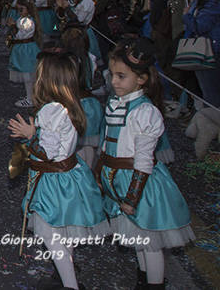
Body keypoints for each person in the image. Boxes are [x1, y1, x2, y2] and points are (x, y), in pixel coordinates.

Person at [95, 39, 195, 290]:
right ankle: (144, 281)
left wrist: (133, 196)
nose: (114, 82)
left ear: (141, 79)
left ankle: (154, 285)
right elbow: (106, 144)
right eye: (112, 75)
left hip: (140, 183)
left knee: (149, 243)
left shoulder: (144, 112)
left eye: (121, 76)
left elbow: (143, 159)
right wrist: (100, 174)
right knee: (138, 239)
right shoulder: (117, 103)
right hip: (118, 178)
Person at [7, 51, 108, 290]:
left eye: (39, 73)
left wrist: (30, 136)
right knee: (65, 232)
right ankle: (66, 277)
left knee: (52, 237)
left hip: (54, 182)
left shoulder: (51, 110)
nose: (36, 78)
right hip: (70, 176)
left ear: (49, 80)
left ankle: (70, 285)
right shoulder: (69, 105)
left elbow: (48, 153)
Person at [183, 0, 220, 107]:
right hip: (212, 47)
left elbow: (200, 26)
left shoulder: (212, 1)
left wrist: (186, 16)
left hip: (209, 50)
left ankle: (212, 125)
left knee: (211, 94)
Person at [8, 0, 42, 108]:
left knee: (28, 75)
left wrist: (13, 26)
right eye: (18, 10)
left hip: (26, 48)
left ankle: (30, 99)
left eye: (21, 9)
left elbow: (19, 35)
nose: (19, 12)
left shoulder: (27, 21)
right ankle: (30, 96)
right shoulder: (23, 19)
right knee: (27, 74)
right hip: (23, 47)